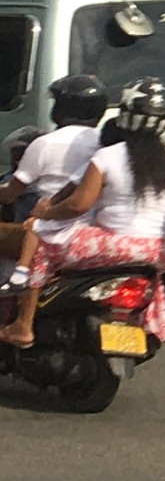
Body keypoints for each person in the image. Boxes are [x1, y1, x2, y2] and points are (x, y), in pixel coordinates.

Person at [5, 78, 165, 349]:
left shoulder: (109, 156)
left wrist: (47, 213)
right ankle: (148, 326)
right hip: (159, 252)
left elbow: (78, 205)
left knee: (40, 243)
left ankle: (23, 326)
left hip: (112, 246)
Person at [0, 75, 109, 343]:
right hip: (97, 235)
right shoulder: (108, 145)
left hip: (48, 233)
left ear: (61, 108)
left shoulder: (45, 144)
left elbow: (11, 193)